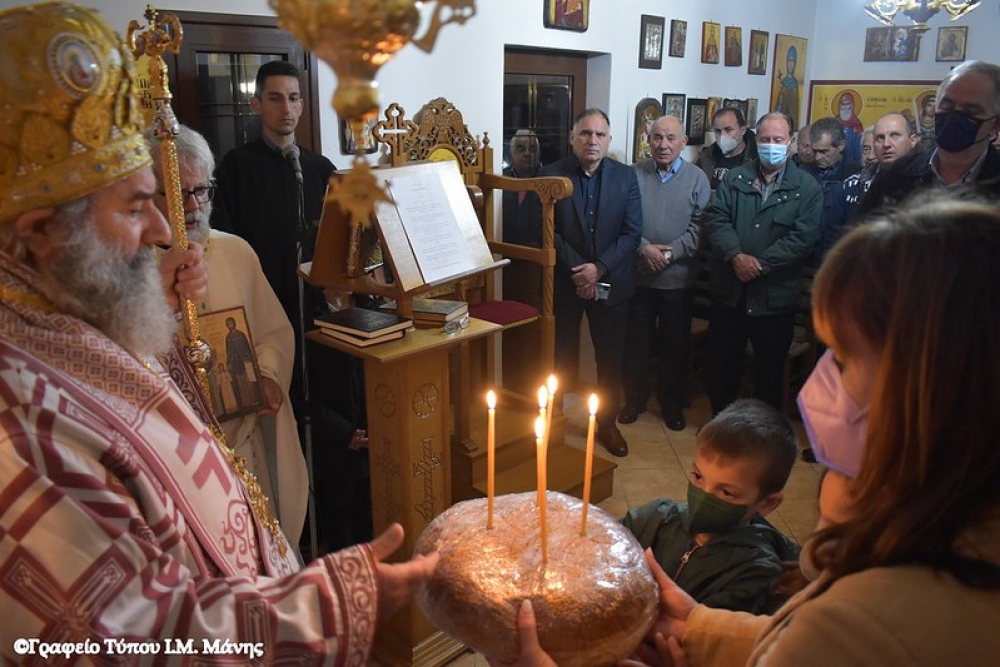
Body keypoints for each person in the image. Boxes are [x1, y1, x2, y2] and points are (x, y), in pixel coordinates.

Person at [0, 3, 435, 661]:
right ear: (39, 234)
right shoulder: (15, 426)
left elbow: (153, 415)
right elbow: (113, 638)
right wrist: (331, 603)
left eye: (163, 200)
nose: (160, 229)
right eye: (136, 207)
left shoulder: (68, 318)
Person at [499, 193, 1000, 667]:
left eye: (842, 361)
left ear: (935, 399)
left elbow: (818, 643)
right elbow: (785, 643)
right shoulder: (946, 543)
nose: (814, 388)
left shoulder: (878, 620)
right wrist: (697, 626)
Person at [148, 123, 309, 549]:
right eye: (179, 192)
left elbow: (274, 331)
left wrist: (270, 377)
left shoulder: (235, 252)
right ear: (147, 195)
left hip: (244, 446)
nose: (194, 205)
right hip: (176, 457)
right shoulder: (132, 270)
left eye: (203, 190)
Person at [622, 399, 800, 614]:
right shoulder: (657, 518)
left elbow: (698, 635)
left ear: (766, 503)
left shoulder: (755, 573)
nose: (704, 496)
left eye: (726, 492)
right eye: (698, 476)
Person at [704, 112, 821, 415]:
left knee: (769, 375)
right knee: (722, 369)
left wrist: (760, 264)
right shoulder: (736, 178)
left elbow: (802, 239)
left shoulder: (806, 188)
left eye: (778, 140)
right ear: (756, 140)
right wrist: (736, 256)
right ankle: (722, 428)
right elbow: (716, 218)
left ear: (790, 142)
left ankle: (764, 441)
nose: (772, 145)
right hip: (731, 294)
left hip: (775, 299)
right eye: (766, 139)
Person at [540, 109, 642, 457]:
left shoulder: (626, 178)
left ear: (609, 140)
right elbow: (547, 231)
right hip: (565, 284)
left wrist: (598, 269)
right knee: (559, 356)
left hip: (612, 282)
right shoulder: (550, 175)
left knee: (610, 360)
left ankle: (607, 424)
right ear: (572, 138)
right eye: (585, 134)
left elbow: (632, 234)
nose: (592, 141)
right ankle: (554, 419)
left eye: (599, 135)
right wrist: (579, 269)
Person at [621, 115, 710, 431]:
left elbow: (700, 228)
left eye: (671, 138)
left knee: (674, 348)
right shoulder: (633, 175)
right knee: (636, 345)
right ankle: (634, 401)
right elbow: (625, 220)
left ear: (683, 141)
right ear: (648, 139)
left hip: (678, 281)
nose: (664, 145)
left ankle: (671, 406)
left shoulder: (698, 179)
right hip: (639, 276)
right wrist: (644, 248)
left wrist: (668, 253)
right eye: (657, 137)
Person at [856, 60, 1000, 220]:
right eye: (947, 106)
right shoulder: (896, 174)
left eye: (971, 111)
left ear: (995, 124)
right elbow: (857, 237)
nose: (955, 116)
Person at [826, 113, 918, 237]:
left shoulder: (928, 180)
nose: (886, 144)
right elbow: (832, 240)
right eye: (880, 138)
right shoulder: (849, 187)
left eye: (895, 135)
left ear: (913, 140)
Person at [802, 117, 862, 260]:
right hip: (805, 255)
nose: (817, 157)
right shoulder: (803, 173)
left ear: (841, 145)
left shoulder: (856, 176)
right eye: (815, 151)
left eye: (824, 152)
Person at [696, 107, 759, 191]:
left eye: (728, 129)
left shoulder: (755, 159)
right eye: (718, 131)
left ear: (743, 130)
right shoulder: (706, 157)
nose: (722, 135)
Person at [503, 129, 544, 247]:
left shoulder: (549, 179)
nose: (527, 153)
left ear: (539, 153)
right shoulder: (501, 179)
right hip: (506, 250)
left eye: (532, 149)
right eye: (521, 149)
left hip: (538, 253)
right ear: (511, 153)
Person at [835, 91, 865, 164]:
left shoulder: (856, 124)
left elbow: (858, 149)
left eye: (847, 104)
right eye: (843, 104)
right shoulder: (834, 122)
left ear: (852, 105)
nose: (845, 106)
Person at [775, 46, 800, 130]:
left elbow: (795, 110)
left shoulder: (795, 84)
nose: (790, 64)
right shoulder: (783, 83)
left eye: (793, 61)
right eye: (789, 60)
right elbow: (778, 107)